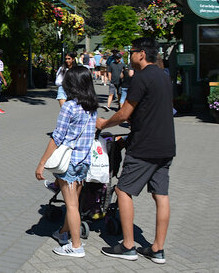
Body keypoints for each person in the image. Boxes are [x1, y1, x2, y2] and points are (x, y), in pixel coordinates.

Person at [97, 37, 176, 264]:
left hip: (144, 148)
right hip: (166, 146)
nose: (129, 56)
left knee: (123, 191)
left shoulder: (141, 78)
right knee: (161, 195)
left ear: (142, 54)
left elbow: (124, 114)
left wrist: (103, 124)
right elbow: (153, 114)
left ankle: (128, 245)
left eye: (132, 52)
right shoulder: (164, 76)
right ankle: (158, 249)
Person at [35, 66, 98, 258]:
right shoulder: (92, 106)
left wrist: (42, 163)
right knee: (74, 203)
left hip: (69, 163)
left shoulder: (70, 106)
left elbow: (56, 137)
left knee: (71, 205)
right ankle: (64, 232)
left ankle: (76, 246)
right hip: (84, 161)